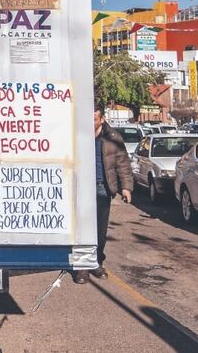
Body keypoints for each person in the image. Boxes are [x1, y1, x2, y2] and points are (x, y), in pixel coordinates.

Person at [74, 106, 134, 284]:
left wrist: (126, 188)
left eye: (94, 119)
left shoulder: (112, 137)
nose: (91, 122)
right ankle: (82, 267)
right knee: (82, 230)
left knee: (100, 231)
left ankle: (96, 263)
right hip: (81, 188)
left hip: (102, 187)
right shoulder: (77, 135)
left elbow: (123, 163)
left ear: (102, 119)